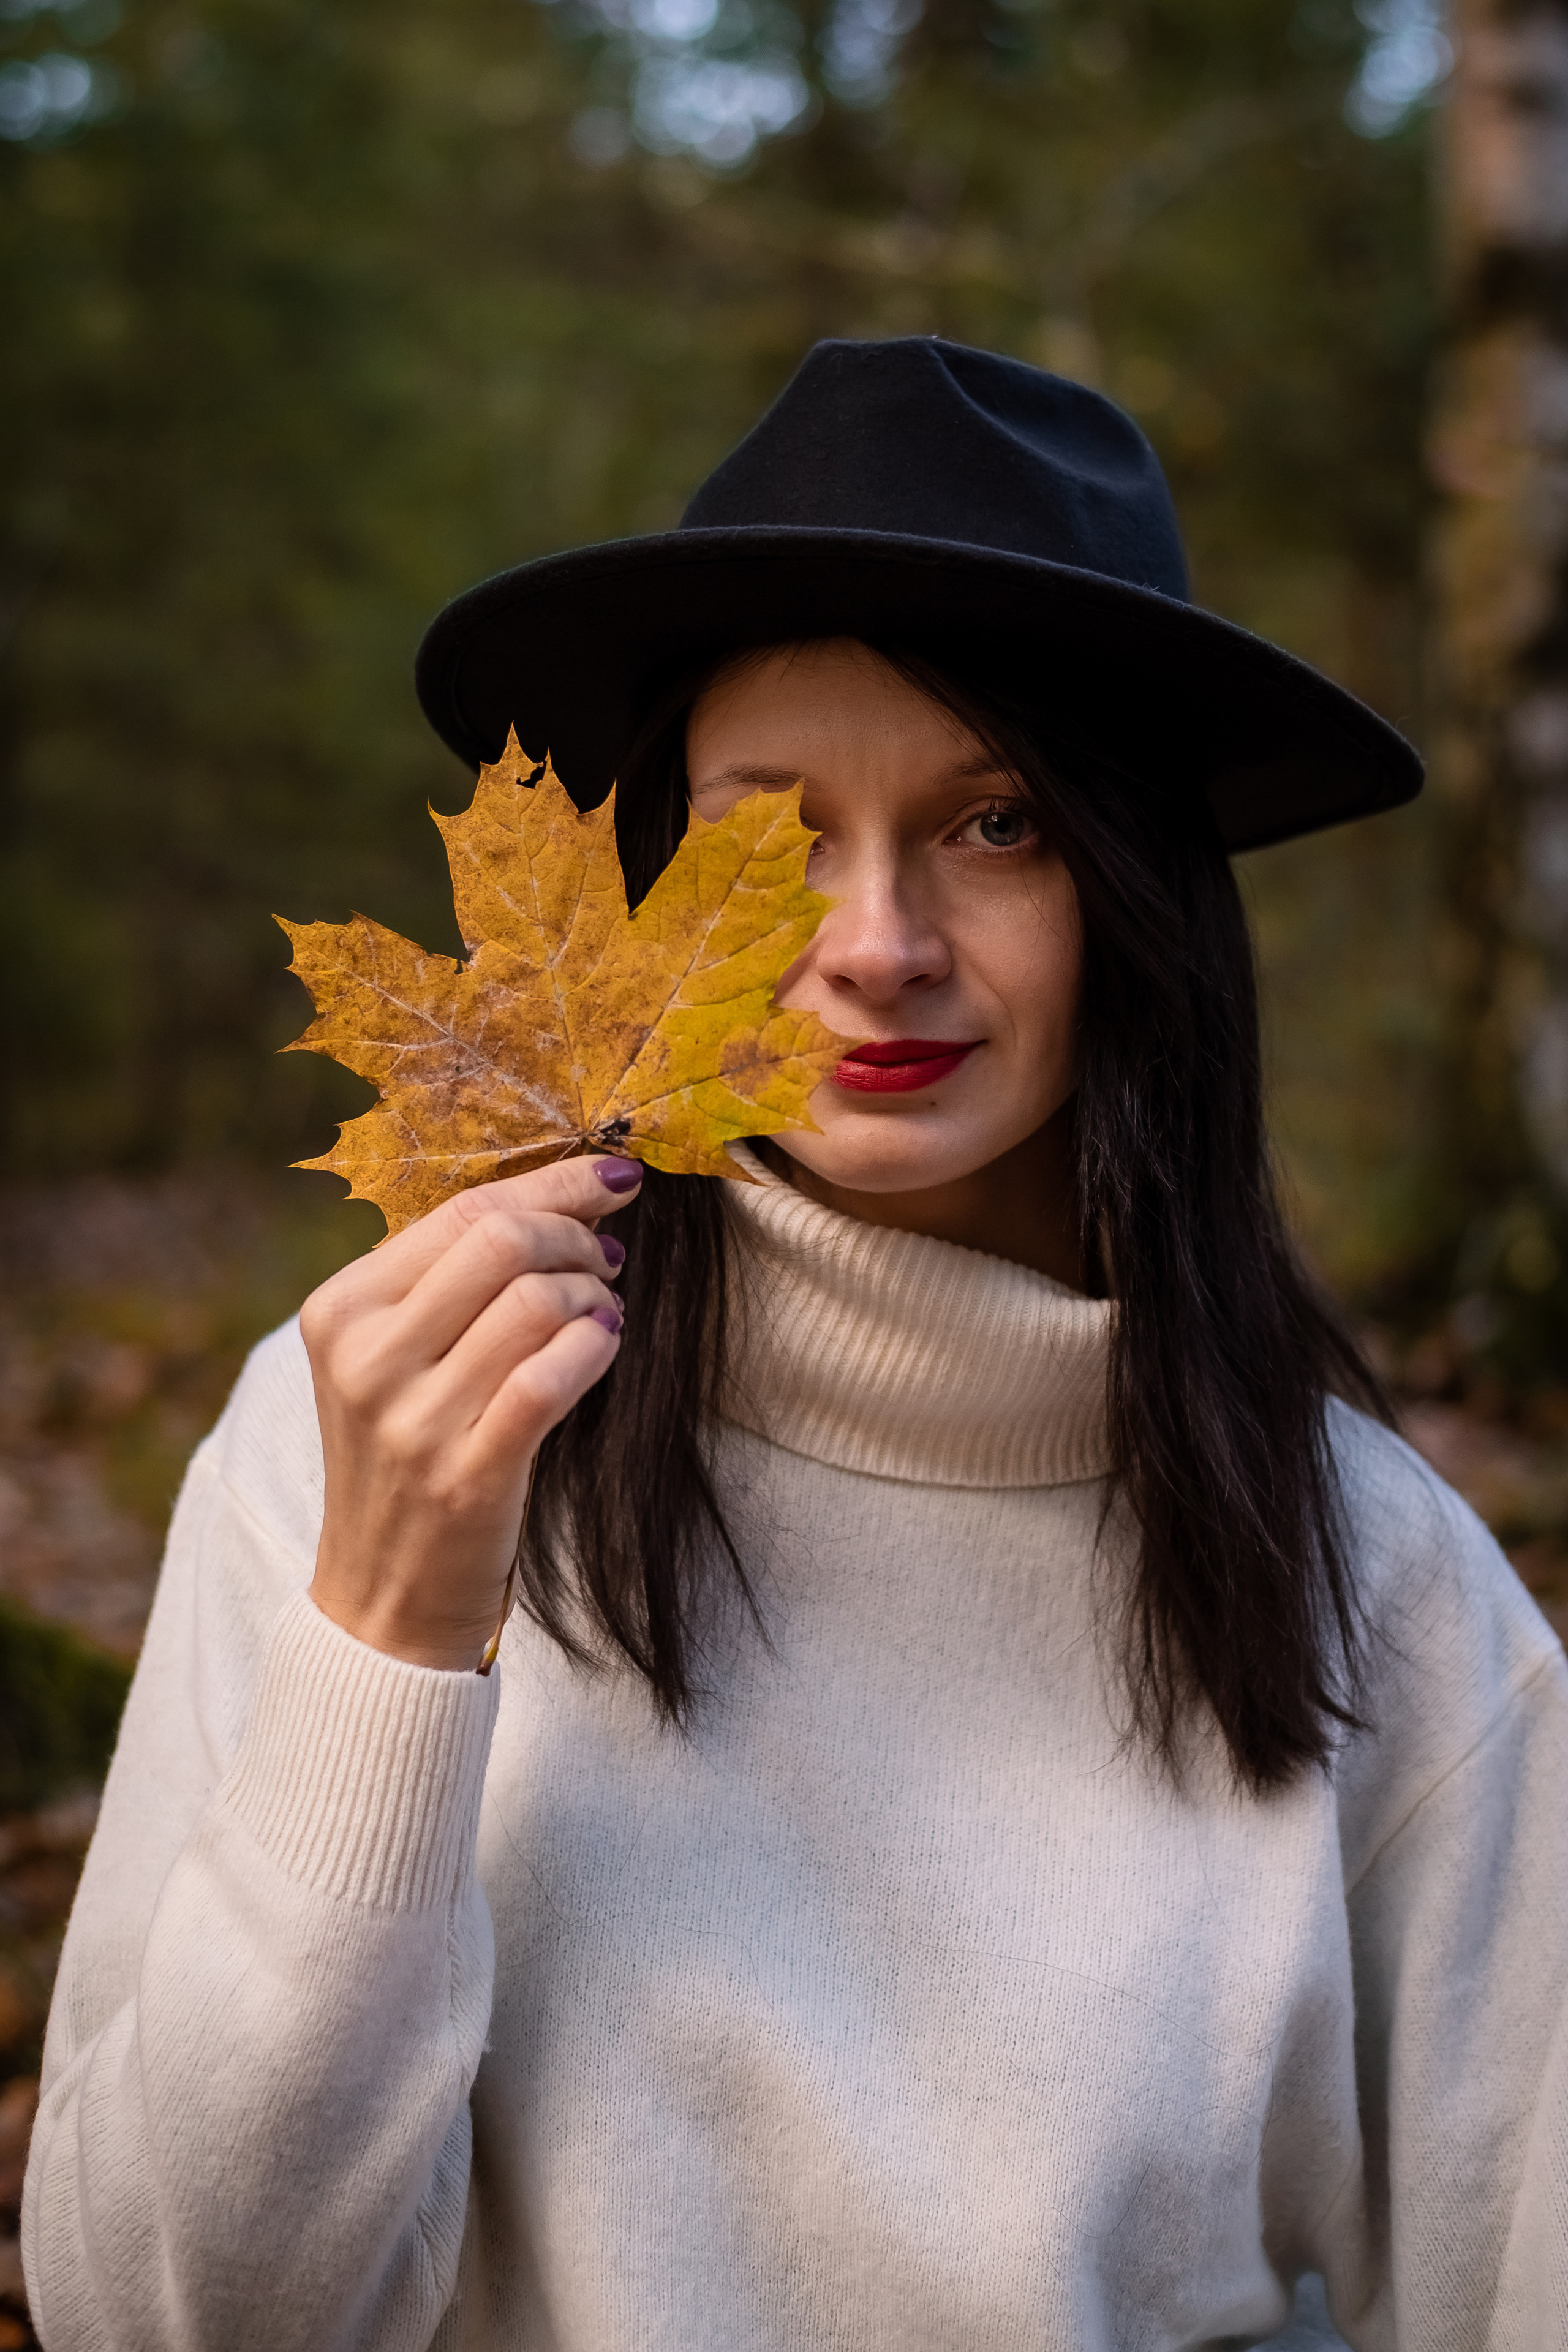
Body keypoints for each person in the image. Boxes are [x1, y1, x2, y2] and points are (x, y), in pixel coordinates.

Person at [21, 338, 1568, 2352]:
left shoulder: (1380, 1582)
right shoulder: (381, 1434)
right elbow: (166, 2317)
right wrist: (389, 1635)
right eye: (771, 835)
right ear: (655, 894)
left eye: (998, 823)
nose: (878, 940)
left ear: (1138, 895)